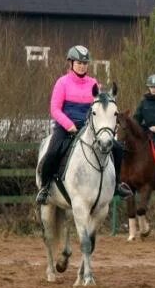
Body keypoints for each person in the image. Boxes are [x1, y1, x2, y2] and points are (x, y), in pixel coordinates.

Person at [36, 45, 132, 205]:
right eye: (79, 63)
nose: (82, 66)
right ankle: (45, 188)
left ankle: (116, 185)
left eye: (85, 63)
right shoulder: (62, 83)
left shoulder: (93, 83)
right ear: (71, 63)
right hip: (65, 127)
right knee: (52, 152)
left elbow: (99, 108)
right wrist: (69, 125)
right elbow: (54, 109)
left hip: (87, 127)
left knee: (117, 148)